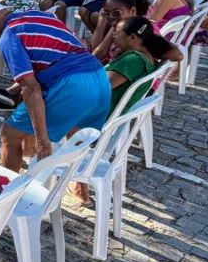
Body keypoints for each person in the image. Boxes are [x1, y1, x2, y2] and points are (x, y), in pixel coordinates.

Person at [0, 0, 110, 172]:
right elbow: (78, 45)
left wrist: (42, 139)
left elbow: (32, 90)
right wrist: (16, 89)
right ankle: (80, 190)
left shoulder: (9, 36)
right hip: (100, 78)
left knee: (9, 135)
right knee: (76, 135)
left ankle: (9, 193)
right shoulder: (39, 15)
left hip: (72, 87)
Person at [69, 16, 181, 205]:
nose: (113, 36)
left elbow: (97, 86)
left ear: (132, 38)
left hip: (92, 121)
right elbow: (176, 54)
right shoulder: (145, 56)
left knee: (40, 103)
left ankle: (70, 176)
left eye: (117, 33)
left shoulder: (132, 61)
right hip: (106, 117)